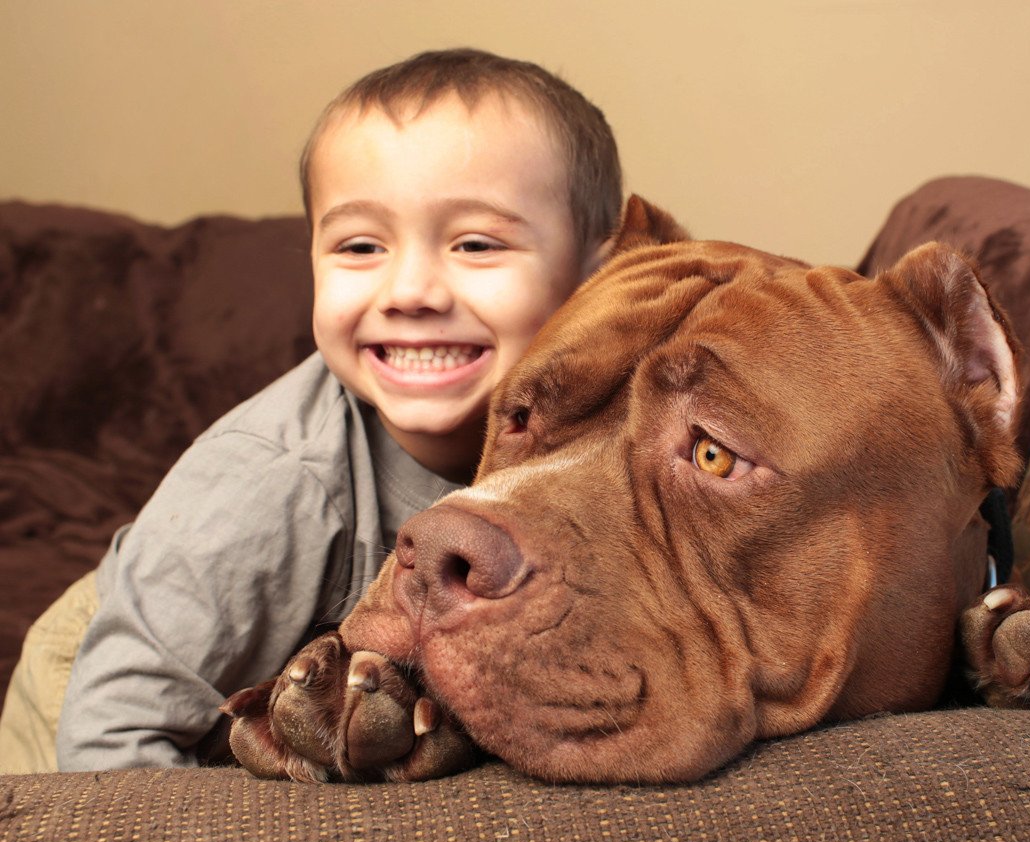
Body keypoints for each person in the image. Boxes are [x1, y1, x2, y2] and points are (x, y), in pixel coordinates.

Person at [0, 48, 622, 772]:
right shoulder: (272, 482)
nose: (409, 291)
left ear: (600, 274)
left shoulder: (608, 439)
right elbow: (109, 729)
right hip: (93, 691)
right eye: (360, 246)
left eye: (476, 244)